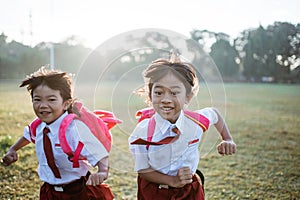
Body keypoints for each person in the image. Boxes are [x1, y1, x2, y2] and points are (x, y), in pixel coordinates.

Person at [128, 51, 236, 200]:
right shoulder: (142, 131)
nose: (166, 99)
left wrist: (228, 139)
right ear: (150, 95)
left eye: (174, 93)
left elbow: (215, 114)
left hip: (189, 190)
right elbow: (143, 169)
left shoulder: (196, 122)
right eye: (158, 92)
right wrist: (172, 181)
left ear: (188, 97)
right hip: (154, 192)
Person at [2, 67, 114, 200]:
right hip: (49, 190)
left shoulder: (74, 129)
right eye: (37, 99)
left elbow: (100, 153)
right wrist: (13, 149)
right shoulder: (38, 125)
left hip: (77, 190)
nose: (43, 105)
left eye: (51, 100)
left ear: (66, 104)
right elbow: (28, 135)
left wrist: (102, 171)